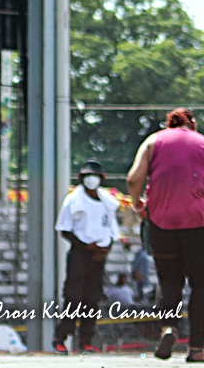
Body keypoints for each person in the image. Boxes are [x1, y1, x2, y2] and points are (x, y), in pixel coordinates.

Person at [126, 108, 204, 362]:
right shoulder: (202, 142)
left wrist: (138, 204)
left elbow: (133, 178)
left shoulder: (153, 141)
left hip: (161, 223)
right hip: (198, 224)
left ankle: (169, 327)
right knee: (200, 286)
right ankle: (197, 348)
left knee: (169, 282)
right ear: (192, 124)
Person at [53, 160, 120, 355]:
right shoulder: (74, 200)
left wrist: (104, 249)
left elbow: (111, 230)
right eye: (88, 177)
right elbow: (64, 229)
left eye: (95, 177)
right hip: (80, 255)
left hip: (98, 257)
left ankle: (86, 341)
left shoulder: (107, 202)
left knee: (92, 298)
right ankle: (61, 337)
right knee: (74, 297)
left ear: (102, 179)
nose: (91, 180)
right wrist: (85, 246)